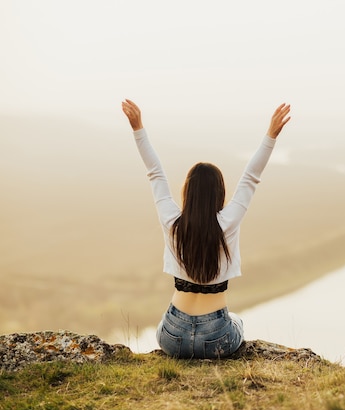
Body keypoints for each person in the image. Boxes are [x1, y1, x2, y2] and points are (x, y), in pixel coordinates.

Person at [121, 99, 291, 359]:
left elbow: (155, 173)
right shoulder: (228, 223)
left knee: (161, 328)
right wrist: (271, 135)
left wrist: (138, 128)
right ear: (219, 193)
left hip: (172, 335)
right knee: (237, 321)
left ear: (188, 191)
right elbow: (250, 177)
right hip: (217, 337)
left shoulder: (172, 223)